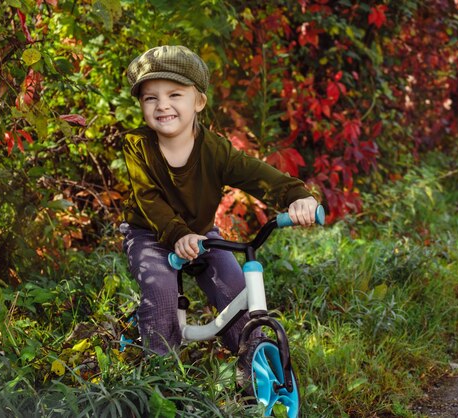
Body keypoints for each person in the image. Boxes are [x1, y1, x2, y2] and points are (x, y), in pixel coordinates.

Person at [119, 45, 318, 355]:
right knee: (160, 291)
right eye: (150, 97)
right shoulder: (137, 144)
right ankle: (160, 376)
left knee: (234, 286)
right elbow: (149, 199)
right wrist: (177, 234)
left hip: (201, 234)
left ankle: (252, 363)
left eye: (174, 95)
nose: (162, 105)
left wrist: (296, 195)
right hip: (150, 234)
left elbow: (257, 175)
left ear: (199, 101)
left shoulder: (215, 150)